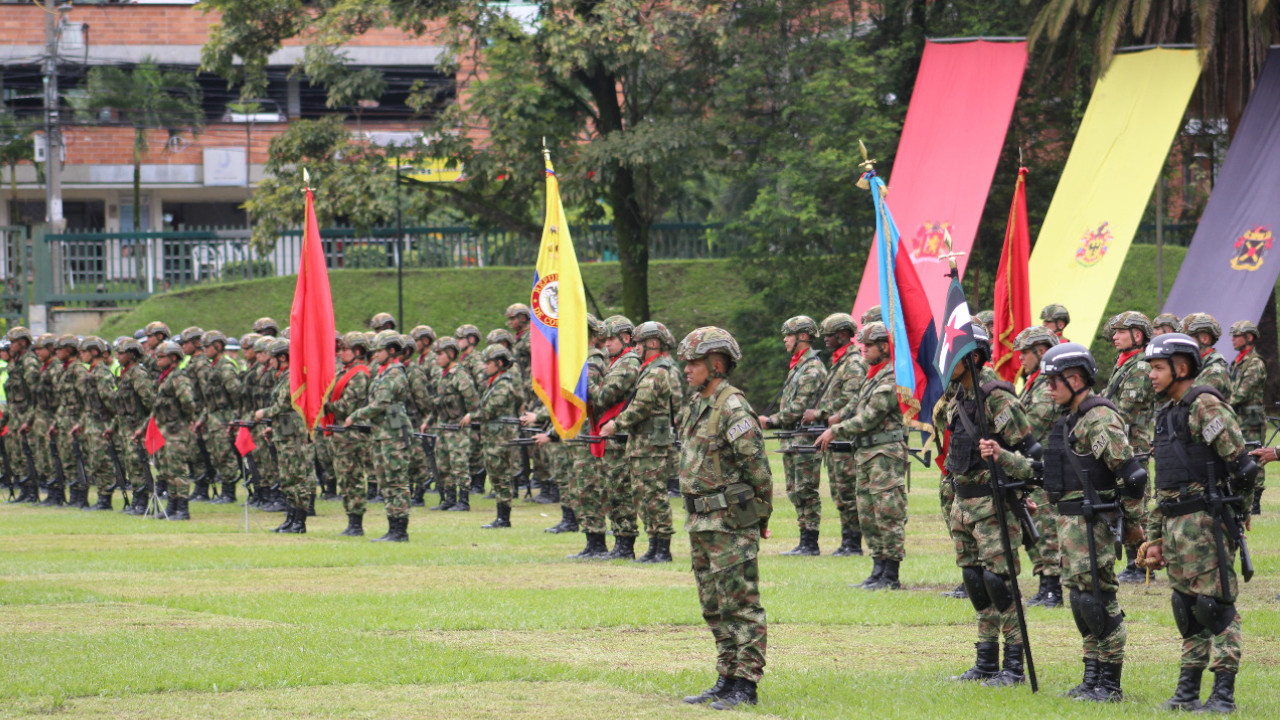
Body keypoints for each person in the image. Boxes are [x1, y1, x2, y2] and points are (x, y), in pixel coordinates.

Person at [983, 342, 1146, 699]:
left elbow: (1132, 476)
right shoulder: (1070, 421)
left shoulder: (1099, 418)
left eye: (1054, 381)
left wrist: (1133, 526)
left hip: (1094, 523)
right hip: (1070, 524)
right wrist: (1003, 457)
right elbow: (1044, 473)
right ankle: (1091, 677)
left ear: (1076, 379)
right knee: (1081, 602)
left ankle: (1110, 683)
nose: (1048, 388)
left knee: (1098, 601)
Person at [1142, 333, 1256, 713]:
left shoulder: (1206, 406)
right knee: (1186, 609)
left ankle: (1223, 694)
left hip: (1206, 523)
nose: (1152, 376)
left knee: (1215, 608)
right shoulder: (1166, 414)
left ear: (1182, 367)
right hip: (1175, 528)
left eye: (1158, 368)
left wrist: (1235, 513)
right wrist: (1155, 538)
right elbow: (1164, 486)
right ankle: (1187, 692)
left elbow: (1243, 466)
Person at [675, 327, 771, 710]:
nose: (686, 369)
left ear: (716, 364)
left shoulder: (733, 407)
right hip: (701, 523)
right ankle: (726, 676)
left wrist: (758, 515)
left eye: (694, 363)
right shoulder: (698, 405)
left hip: (730, 521)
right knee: (713, 605)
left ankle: (746, 685)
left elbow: (758, 469)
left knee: (740, 603)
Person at [939, 326, 1032, 688]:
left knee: (999, 583)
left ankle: (1013, 666)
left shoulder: (996, 397)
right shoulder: (958, 395)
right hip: (963, 501)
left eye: (954, 355)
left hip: (992, 503)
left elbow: (1028, 451)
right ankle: (986, 662)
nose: (948, 362)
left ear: (974, 357)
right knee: (976, 582)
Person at [816, 322, 907, 589]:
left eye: (868, 345)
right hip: (867, 453)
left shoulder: (892, 377)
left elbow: (868, 417)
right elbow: (855, 408)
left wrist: (835, 430)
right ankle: (878, 569)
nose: (863, 350)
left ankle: (891, 574)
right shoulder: (873, 375)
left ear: (884, 347)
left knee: (887, 513)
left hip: (885, 455)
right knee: (868, 513)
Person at [603, 320, 681, 563]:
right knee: (642, 494)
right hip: (645, 442)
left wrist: (616, 424)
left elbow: (641, 406)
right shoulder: (652, 368)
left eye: (639, 343)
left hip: (652, 443)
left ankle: (662, 548)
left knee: (653, 495)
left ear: (653, 343)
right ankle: (653, 545)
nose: (635, 347)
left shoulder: (659, 371)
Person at [759, 316, 827, 556]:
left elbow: (800, 407)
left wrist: (770, 421)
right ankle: (804, 540)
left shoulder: (812, 368)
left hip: (805, 439)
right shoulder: (799, 365)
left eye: (789, 335)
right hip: (794, 438)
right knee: (794, 489)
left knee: (806, 489)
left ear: (804, 337)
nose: (785, 340)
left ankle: (811, 542)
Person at [803, 313, 866, 557]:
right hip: (836, 436)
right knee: (839, 491)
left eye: (829, 335)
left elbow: (851, 398)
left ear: (842, 334)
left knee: (848, 491)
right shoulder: (839, 361)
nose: (825, 339)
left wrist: (821, 412)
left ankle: (853, 544)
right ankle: (846, 541)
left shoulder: (852, 363)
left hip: (846, 436)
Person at [1103, 312, 1157, 584]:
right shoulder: (1124, 364)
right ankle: (1135, 562)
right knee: (1124, 504)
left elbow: (1123, 411)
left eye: (1120, 331)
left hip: (1133, 447)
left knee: (1136, 506)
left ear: (1138, 335)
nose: (1114, 336)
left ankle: (1145, 565)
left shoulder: (1140, 368)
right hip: (1120, 445)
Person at [1012, 326, 1061, 607]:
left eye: (1025, 354)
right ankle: (1044, 585)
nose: (1020, 359)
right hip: (1031, 468)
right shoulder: (1034, 383)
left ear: (1041, 352)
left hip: (1046, 467)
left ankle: (1052, 588)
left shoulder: (1048, 386)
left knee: (1045, 527)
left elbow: (1034, 422)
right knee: (1033, 529)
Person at [349, 332, 415, 541]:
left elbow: (381, 403)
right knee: (386, 480)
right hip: (382, 434)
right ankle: (393, 527)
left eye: (379, 350)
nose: (375, 354)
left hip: (394, 435)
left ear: (392, 351)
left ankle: (399, 530)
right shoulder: (383, 372)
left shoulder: (395, 373)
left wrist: (356, 416)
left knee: (396, 481)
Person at [594, 315, 643, 559]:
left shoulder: (629, 363)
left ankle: (626, 544)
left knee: (620, 490)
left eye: (611, 338)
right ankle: (619, 542)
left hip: (621, 436)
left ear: (626, 338)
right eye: (604, 338)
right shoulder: (616, 361)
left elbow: (604, 397)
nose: (606, 343)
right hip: (612, 436)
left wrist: (583, 382)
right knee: (612, 490)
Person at [255, 339, 315, 534]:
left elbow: (283, 405)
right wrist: (273, 427)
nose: (270, 362)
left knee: (297, 477)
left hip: (294, 436)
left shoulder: (293, 377)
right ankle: (290, 519)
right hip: (284, 433)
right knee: (287, 478)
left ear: (283, 357)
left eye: (273, 358)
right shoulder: (283, 376)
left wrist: (263, 414)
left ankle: (300, 521)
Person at [462, 344, 522, 529]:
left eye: (488, 363)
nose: (485, 366)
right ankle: (501, 517)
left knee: (501, 477)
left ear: (499, 363)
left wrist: (473, 415)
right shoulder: (495, 382)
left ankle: (504, 518)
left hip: (501, 438)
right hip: (493, 437)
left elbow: (493, 408)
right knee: (496, 477)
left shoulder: (504, 383)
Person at [136, 341, 197, 520]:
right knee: (167, 470)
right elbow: (156, 409)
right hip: (164, 429)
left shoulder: (178, 377)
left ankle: (182, 508)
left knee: (178, 470)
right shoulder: (165, 378)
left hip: (176, 430)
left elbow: (187, 402)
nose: (157, 360)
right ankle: (172, 506)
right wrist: (142, 429)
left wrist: (184, 419)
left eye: (162, 357)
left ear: (173, 358)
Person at [326, 332, 373, 536]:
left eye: (345, 349)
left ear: (358, 351)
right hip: (341, 434)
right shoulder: (344, 371)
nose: (341, 353)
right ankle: (351, 519)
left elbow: (347, 406)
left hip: (353, 436)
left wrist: (324, 404)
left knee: (352, 477)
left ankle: (356, 522)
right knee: (344, 477)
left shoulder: (359, 374)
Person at [425, 336, 479, 512]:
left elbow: (474, 402)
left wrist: (471, 415)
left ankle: (463, 500)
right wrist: (428, 422)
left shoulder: (460, 376)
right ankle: (449, 498)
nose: (437, 357)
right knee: (443, 464)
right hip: (444, 427)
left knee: (459, 464)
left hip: (458, 429)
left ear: (451, 353)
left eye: (440, 354)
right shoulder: (443, 376)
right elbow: (437, 403)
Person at [198, 331, 244, 505]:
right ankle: (224, 491)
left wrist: (235, 418)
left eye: (207, 347)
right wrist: (202, 419)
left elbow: (237, 394)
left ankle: (229, 492)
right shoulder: (213, 367)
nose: (204, 350)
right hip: (214, 417)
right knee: (217, 454)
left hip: (225, 417)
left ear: (218, 346)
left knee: (225, 455)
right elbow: (209, 400)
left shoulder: (225, 367)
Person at [74, 336, 118, 511]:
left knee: (103, 462)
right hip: (93, 424)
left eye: (84, 352)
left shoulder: (102, 374)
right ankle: (101, 497)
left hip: (102, 424)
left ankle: (105, 499)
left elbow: (111, 404)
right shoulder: (93, 372)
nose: (81, 355)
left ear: (94, 352)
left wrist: (112, 425)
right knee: (95, 461)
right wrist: (82, 423)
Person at [1227, 320, 1266, 514]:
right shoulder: (1238, 361)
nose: (1233, 339)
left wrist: (1223, 404)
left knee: (1254, 456)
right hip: (1238, 418)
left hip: (1250, 419)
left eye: (1237, 335)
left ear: (1249, 337)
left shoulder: (1255, 363)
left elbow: (1242, 393)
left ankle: (1255, 502)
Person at [114, 337, 156, 515]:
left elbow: (150, 402)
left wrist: (144, 426)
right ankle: (137, 501)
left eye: (121, 353)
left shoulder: (138, 374)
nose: (117, 356)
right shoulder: (126, 374)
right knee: (131, 464)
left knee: (139, 463)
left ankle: (142, 502)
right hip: (126, 427)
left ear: (131, 355)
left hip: (137, 425)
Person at [1181, 314, 1232, 397]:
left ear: (1205, 339)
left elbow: (1193, 398)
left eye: (1187, 337)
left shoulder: (1215, 371)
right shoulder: (1196, 365)